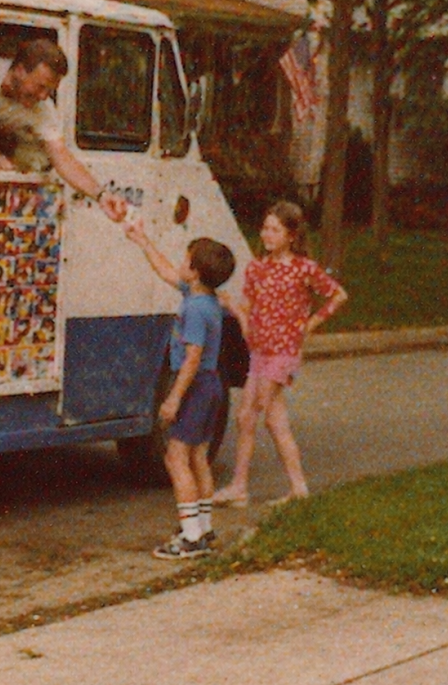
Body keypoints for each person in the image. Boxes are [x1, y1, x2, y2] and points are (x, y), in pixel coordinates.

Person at [213, 201, 348, 508]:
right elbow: (248, 311)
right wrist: (233, 307)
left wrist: (309, 324)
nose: (267, 235)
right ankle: (244, 487)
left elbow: (338, 295)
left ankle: (288, 487)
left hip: (283, 353)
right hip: (259, 352)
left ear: (291, 235)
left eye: (275, 230)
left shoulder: (304, 268)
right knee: (251, 417)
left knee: (266, 412)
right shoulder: (256, 268)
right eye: (265, 228)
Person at [124, 217, 236, 559]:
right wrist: (142, 241)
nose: (180, 263)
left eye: (186, 259)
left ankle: (190, 538)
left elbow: (192, 358)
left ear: (196, 272)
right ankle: (203, 526)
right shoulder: (204, 297)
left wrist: (173, 398)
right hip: (212, 385)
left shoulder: (196, 310)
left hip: (194, 386)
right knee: (198, 456)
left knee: (175, 458)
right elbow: (166, 272)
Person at [0, 38, 127, 221]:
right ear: (20, 70)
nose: (43, 96)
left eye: (49, 91)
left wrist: (101, 195)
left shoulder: (42, 109)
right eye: (40, 86)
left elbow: (61, 157)